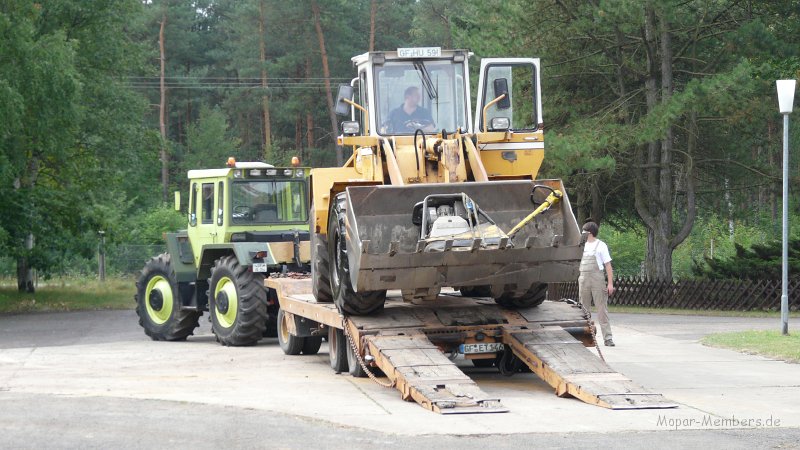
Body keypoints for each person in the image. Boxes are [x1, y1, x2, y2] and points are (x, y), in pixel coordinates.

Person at [578, 220, 615, 346]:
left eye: (584, 231)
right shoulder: (580, 246)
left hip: (597, 279)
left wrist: (610, 284)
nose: (582, 233)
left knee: (601, 309)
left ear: (590, 232)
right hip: (583, 279)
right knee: (583, 310)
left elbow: (608, 265)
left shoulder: (601, 245)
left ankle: (608, 338)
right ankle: (585, 337)